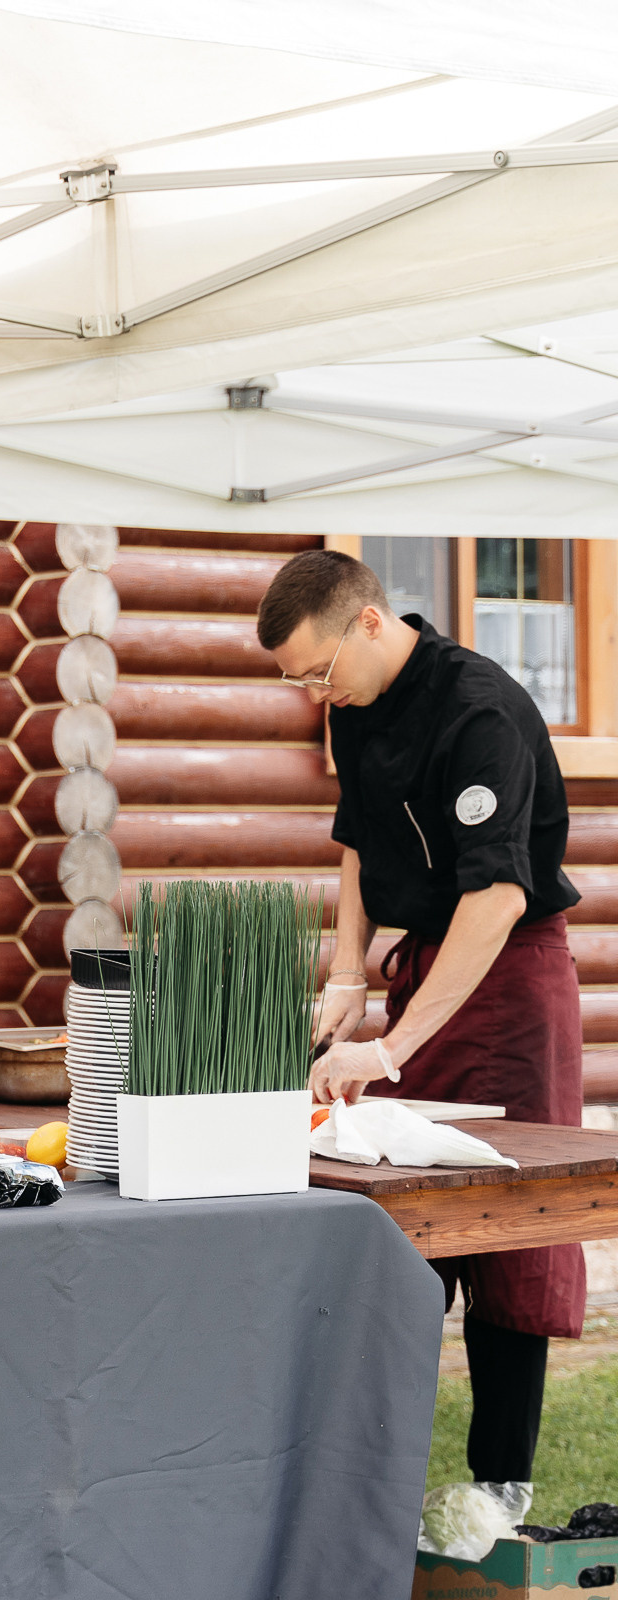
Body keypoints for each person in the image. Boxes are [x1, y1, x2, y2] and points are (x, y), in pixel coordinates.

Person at [259, 549, 584, 1483]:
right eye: (299, 683)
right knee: (405, 1226)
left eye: (319, 672)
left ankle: (499, 1491)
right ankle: (375, 1481)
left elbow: (497, 898)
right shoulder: (354, 702)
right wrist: (346, 977)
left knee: (508, 1234)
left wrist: (392, 1049)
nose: (318, 694)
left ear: (371, 622)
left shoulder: (479, 713)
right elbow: (358, 843)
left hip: (509, 981)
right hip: (422, 972)